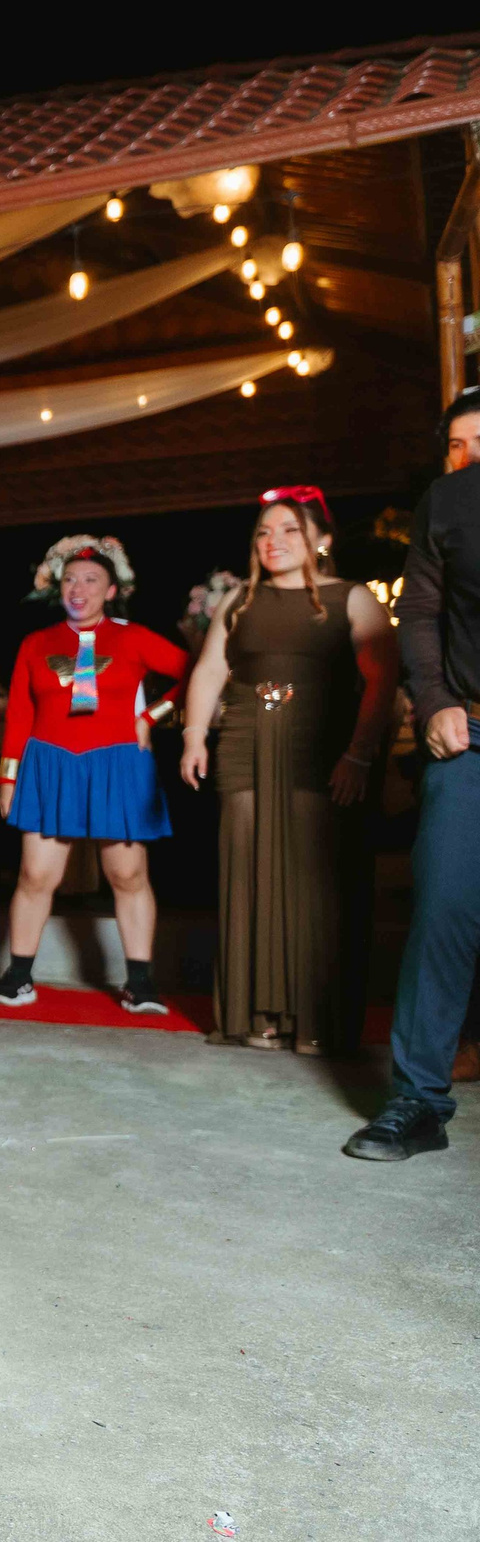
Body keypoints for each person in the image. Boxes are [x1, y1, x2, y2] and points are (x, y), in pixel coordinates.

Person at [180, 489, 397, 1056]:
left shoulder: (351, 598)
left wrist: (359, 753)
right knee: (246, 867)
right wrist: (193, 736)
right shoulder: (238, 601)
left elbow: (382, 680)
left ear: (321, 539)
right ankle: (256, 1013)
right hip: (245, 736)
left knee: (311, 875)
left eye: (289, 530)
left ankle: (315, 1018)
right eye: (263, 532)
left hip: (319, 740)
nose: (272, 541)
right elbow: (208, 671)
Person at [351, 392, 480, 1158]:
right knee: (443, 908)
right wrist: (432, 699)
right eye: (456, 443)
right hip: (469, 732)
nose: (469, 454)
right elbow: (420, 613)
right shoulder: (445, 504)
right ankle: (419, 1101)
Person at [0, 540, 187, 1012]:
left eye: (91, 580)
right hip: (48, 761)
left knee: (128, 874)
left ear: (111, 589)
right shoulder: (36, 643)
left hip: (118, 762)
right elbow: (18, 713)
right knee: (35, 874)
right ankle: (18, 977)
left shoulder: (134, 636)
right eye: (70, 580)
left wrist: (152, 716)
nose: (79, 589)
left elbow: (195, 670)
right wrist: (8, 778)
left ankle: (140, 982)